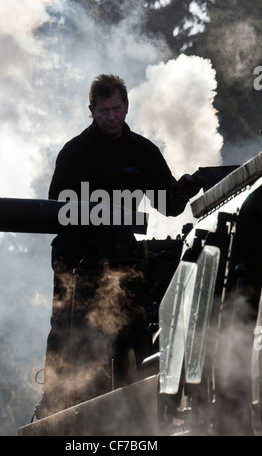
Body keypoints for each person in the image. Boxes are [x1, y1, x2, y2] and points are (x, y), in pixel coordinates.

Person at [33, 74, 205, 420]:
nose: (111, 116)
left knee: (134, 323)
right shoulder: (75, 152)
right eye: (104, 110)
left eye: (117, 108)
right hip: (77, 256)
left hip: (123, 257)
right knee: (69, 329)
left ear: (126, 106)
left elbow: (168, 204)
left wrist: (185, 190)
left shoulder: (142, 151)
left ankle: (136, 393)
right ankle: (54, 399)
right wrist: (94, 215)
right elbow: (58, 206)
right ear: (91, 110)